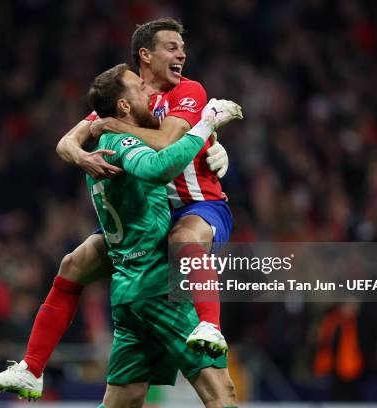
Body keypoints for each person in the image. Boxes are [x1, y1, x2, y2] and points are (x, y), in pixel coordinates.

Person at [0, 18, 239, 400]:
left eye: (182, 46)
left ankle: (210, 325)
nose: (181, 53)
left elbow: (166, 142)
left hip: (197, 205)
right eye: (171, 46)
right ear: (145, 56)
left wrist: (113, 126)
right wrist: (81, 157)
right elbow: (66, 142)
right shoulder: (127, 94)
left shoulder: (188, 91)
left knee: (183, 239)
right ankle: (31, 368)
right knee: (73, 264)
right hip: (148, 216)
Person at [87, 64, 239, 407]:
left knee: (122, 401)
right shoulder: (124, 143)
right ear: (124, 106)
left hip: (128, 291)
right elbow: (158, 167)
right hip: (159, 288)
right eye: (140, 91)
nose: (151, 95)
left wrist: (213, 144)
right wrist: (205, 125)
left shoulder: (98, 146)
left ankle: (31, 363)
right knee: (221, 393)